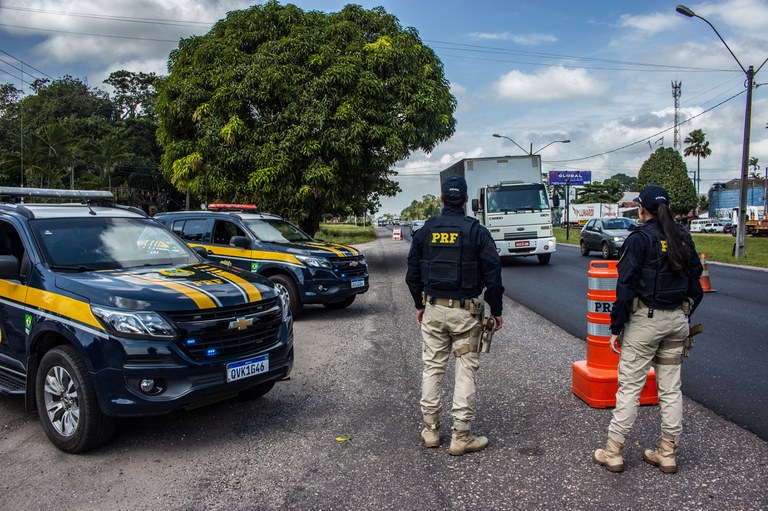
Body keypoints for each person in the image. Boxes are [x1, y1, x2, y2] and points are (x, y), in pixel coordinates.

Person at [594, 184, 703, 474]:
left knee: (630, 388)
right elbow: (696, 282)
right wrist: (686, 312)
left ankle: (613, 452)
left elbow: (625, 286)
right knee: (671, 390)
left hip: (645, 322)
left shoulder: (639, 239)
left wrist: (616, 327)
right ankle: (667, 453)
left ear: (641, 208)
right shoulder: (681, 236)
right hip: (677, 321)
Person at [405, 174, 504, 456]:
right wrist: (496, 311)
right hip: (466, 314)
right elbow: (493, 276)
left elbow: (412, 274)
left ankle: (431, 430)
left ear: (440, 198)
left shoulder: (425, 231)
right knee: (466, 370)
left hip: (434, 309)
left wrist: (419, 305)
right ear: (464, 199)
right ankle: (461, 436)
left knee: (432, 368)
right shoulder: (477, 231)